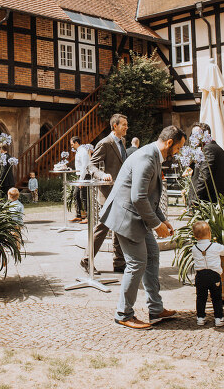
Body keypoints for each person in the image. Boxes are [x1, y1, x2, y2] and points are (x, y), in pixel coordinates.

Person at [100, 125, 186, 330]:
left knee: (153, 255)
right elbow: (138, 197)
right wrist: (157, 225)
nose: (179, 152)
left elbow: (149, 196)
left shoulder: (154, 156)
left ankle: (155, 309)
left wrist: (162, 219)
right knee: (137, 263)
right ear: (169, 143)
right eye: (179, 148)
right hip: (126, 217)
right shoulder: (147, 158)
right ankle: (123, 313)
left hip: (137, 216)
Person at [83, 114, 129, 275]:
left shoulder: (122, 142)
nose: (126, 127)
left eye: (126, 124)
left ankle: (119, 262)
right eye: (123, 124)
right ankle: (87, 260)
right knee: (103, 227)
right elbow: (91, 165)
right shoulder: (105, 143)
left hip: (121, 192)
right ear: (114, 126)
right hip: (108, 192)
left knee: (119, 228)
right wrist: (102, 175)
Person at [190, 221, 224, 327]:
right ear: (210, 234)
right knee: (216, 297)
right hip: (214, 276)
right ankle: (219, 318)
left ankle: (200, 318)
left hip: (200, 276)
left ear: (195, 236)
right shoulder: (216, 246)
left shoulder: (194, 248)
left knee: (201, 297)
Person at [191, 123, 224, 203]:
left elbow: (204, 177)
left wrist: (195, 200)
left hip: (206, 201)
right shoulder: (216, 148)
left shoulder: (208, 149)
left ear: (206, 134)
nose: (193, 138)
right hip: (213, 200)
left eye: (196, 135)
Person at [70, 136, 89, 222]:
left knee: (83, 196)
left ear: (76, 143)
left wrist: (81, 180)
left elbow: (84, 167)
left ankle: (88, 217)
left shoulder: (83, 152)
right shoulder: (78, 151)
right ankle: (79, 215)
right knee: (76, 194)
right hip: (79, 176)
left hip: (84, 176)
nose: (71, 146)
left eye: (72, 144)